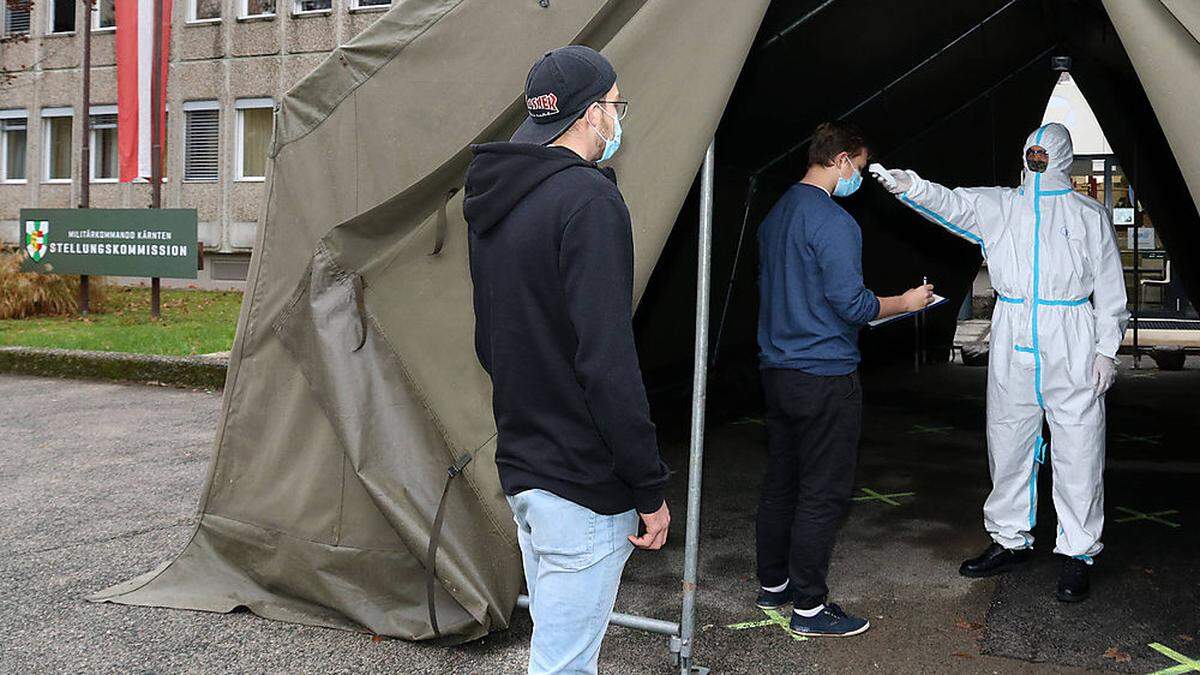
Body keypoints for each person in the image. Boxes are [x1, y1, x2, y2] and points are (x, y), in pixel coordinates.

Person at [463, 46, 670, 674]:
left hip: (526, 467)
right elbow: (606, 362)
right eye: (615, 105)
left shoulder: (496, 198)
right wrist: (649, 485)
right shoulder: (590, 203)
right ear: (587, 116)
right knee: (564, 666)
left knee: (557, 656)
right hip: (581, 481)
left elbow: (489, 341)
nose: (617, 119)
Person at [873, 122, 1128, 602]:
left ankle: (1078, 552)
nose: (1035, 159)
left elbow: (1111, 290)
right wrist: (912, 188)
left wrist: (1105, 349)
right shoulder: (1001, 205)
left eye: (1042, 153)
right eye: (1030, 152)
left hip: (1069, 331)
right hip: (1013, 330)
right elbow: (952, 203)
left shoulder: (1088, 215)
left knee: (1079, 445)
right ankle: (1010, 538)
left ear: (1060, 157)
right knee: (1008, 437)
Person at [755, 121, 934, 638]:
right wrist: (907, 302)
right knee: (823, 491)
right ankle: (809, 609)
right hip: (825, 375)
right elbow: (853, 304)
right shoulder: (833, 222)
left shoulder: (776, 214)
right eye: (859, 167)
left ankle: (773, 583)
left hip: (777, 370)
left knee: (782, 481)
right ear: (840, 161)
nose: (858, 177)